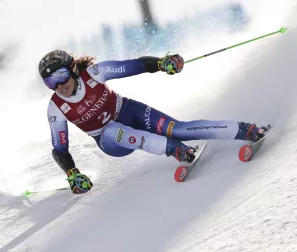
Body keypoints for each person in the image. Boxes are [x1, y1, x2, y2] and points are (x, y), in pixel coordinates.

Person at [39, 50, 267, 194]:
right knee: (112, 130)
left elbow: (135, 65)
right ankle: (175, 150)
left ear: (73, 69)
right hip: (110, 141)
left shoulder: (96, 73)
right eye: (50, 81)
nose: (58, 85)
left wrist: (162, 63)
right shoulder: (56, 107)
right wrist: (73, 175)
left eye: (60, 76)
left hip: (130, 111)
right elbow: (59, 149)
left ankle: (246, 130)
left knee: (178, 129)